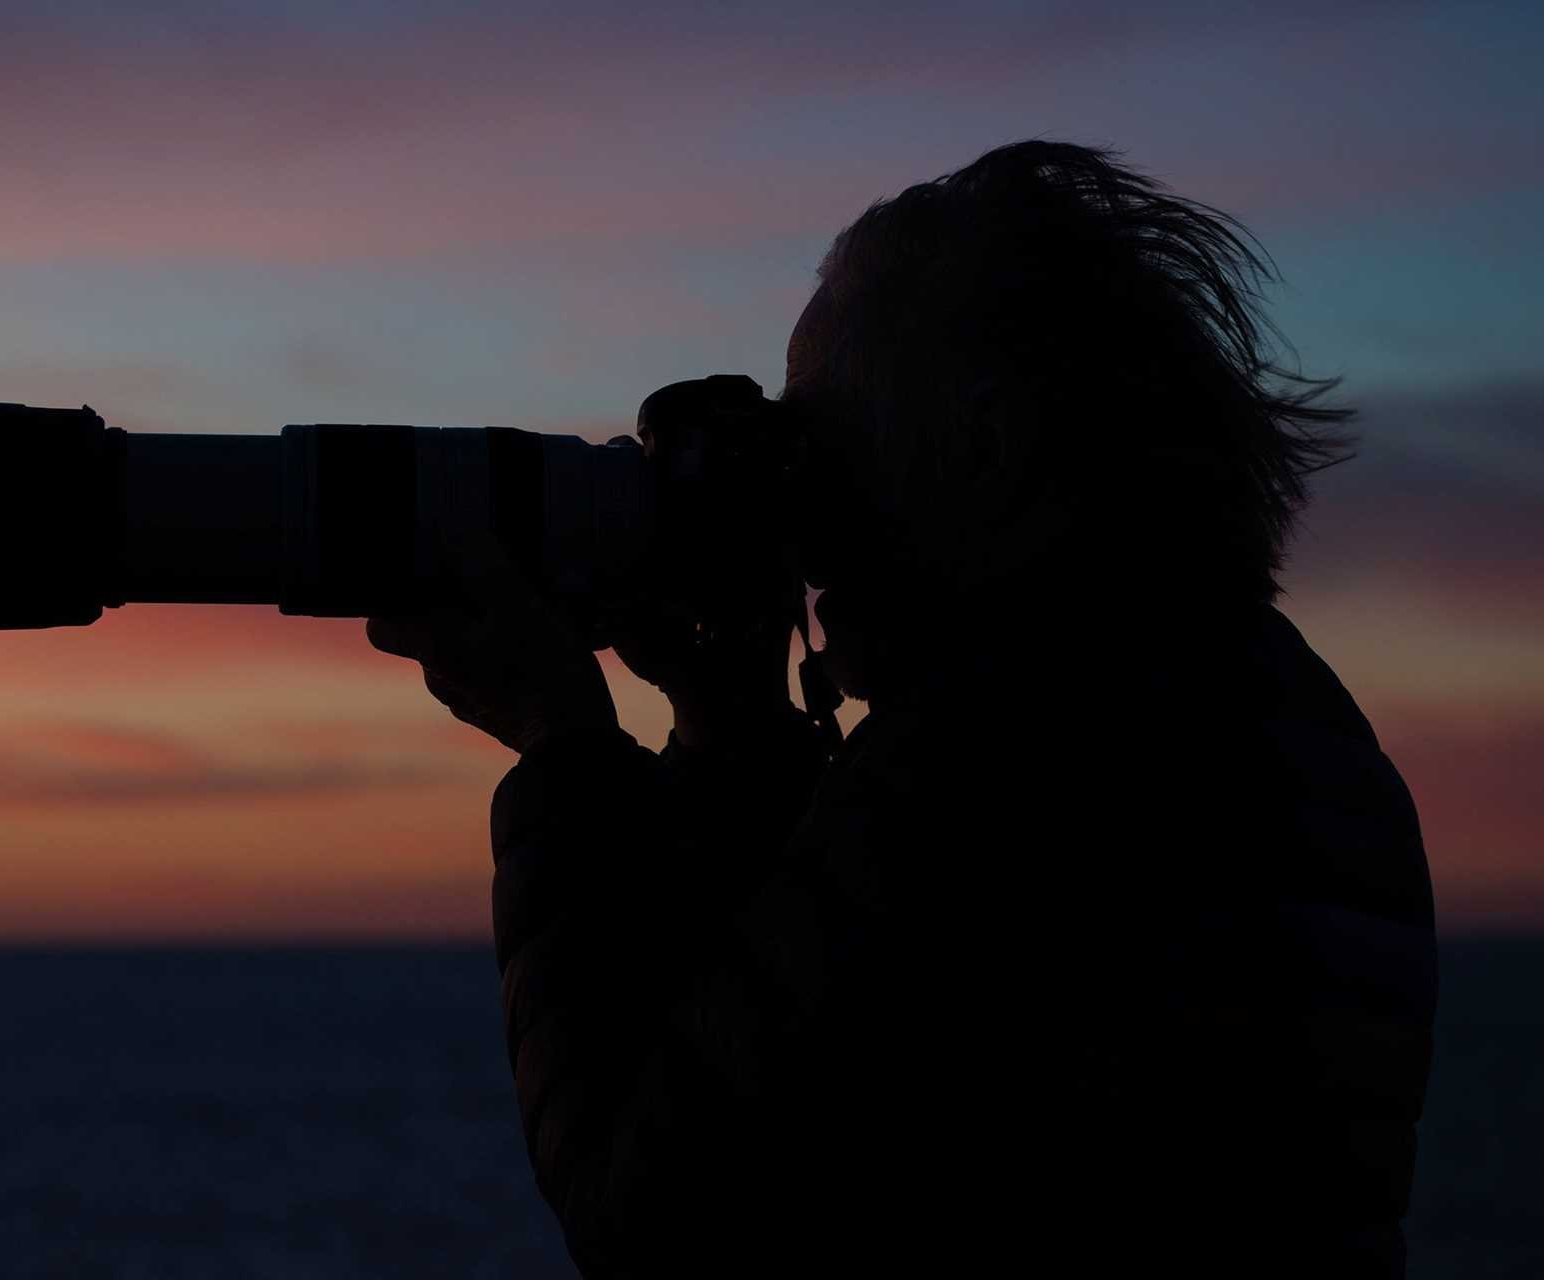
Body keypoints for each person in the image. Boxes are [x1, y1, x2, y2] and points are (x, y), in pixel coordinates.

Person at [367, 141, 1438, 1278]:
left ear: (982, 439)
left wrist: (566, 757)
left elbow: (660, 1211)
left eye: (822, 439)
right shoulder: (1270, 718)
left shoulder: (1009, 749)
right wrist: (734, 728)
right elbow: (882, 1085)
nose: (801, 518)